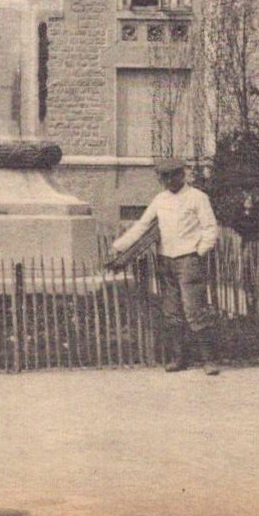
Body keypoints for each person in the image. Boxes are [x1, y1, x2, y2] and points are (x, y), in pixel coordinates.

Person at [110, 158, 223, 374]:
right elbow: (142, 225)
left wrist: (198, 252)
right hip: (165, 260)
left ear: (183, 174)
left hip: (188, 259)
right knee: (171, 312)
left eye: (173, 175)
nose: (169, 180)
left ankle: (209, 360)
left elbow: (210, 229)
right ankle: (179, 359)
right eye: (165, 177)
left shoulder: (198, 198)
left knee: (194, 311)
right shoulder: (160, 199)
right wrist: (119, 246)